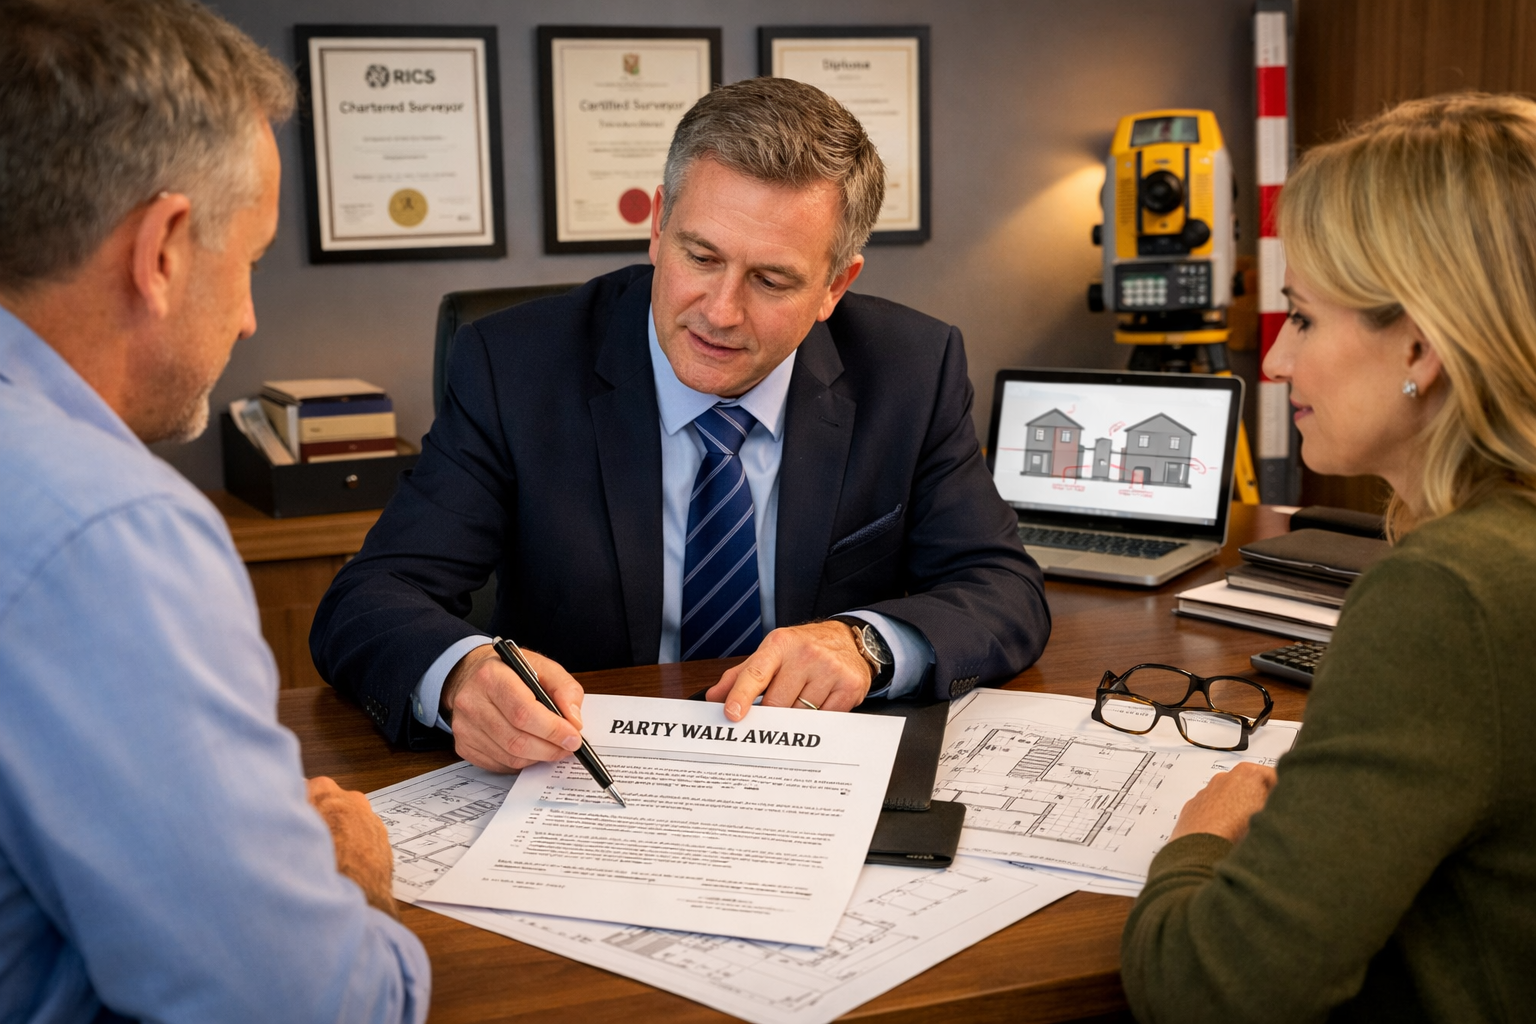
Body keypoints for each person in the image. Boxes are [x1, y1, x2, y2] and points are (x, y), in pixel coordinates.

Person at [311, 77, 1050, 771]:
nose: (720, 312)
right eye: (701, 255)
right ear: (658, 226)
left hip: (811, 775)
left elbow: (1002, 586)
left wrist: (867, 646)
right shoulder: (515, 367)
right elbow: (372, 597)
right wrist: (460, 677)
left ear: (835, 285)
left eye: (771, 279)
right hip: (583, 770)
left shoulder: (911, 370)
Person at [0, 1, 428, 1021]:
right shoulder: (108, 531)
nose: (246, 314)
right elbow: (307, 1005)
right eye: (251, 258)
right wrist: (348, 884)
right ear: (162, 248)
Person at [1121, 92, 1536, 1021]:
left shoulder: (1449, 593)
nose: (1273, 363)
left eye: (1302, 318)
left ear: (1422, 345)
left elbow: (1208, 991)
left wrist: (1198, 841)